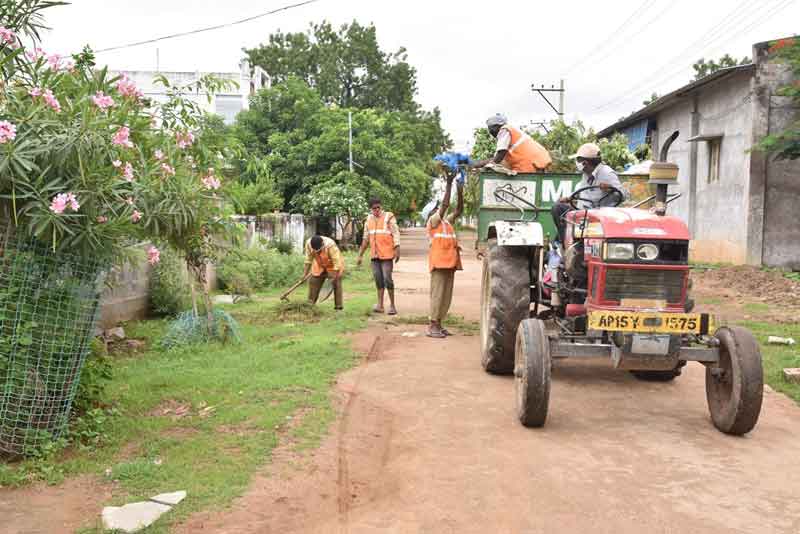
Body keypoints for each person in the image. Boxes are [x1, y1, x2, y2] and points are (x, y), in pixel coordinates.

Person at [550, 142, 626, 244]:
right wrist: (569, 198)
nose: (576, 163)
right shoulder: (586, 173)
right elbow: (583, 190)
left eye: (578, 160)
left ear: (585, 163)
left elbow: (623, 195)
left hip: (599, 215)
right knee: (558, 208)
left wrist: (611, 188)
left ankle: (571, 243)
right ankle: (566, 244)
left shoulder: (607, 173)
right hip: (583, 212)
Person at [425, 172, 463, 338]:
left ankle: (439, 324)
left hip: (450, 264)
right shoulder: (433, 222)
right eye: (436, 208)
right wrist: (448, 183)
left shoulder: (447, 222)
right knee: (438, 295)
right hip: (439, 264)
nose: (439, 209)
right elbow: (446, 205)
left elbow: (459, 210)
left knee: (446, 296)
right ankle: (432, 325)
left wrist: (460, 190)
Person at [357, 197, 400, 315]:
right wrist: (360, 255)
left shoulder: (388, 216)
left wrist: (397, 247)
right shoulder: (368, 220)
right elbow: (365, 238)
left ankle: (392, 306)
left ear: (381, 207)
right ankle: (380, 305)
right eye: (374, 208)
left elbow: (395, 232)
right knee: (378, 279)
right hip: (374, 255)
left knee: (387, 279)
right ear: (370, 209)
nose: (376, 210)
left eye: (378, 207)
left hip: (387, 254)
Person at [473, 113, 552, 173]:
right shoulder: (513, 134)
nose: (490, 131)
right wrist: (476, 164)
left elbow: (499, 156)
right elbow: (497, 158)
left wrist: (487, 167)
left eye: (491, 128)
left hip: (528, 165)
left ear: (497, 126)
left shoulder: (504, 130)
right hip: (539, 161)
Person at [303, 234, 344, 310]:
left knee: (336, 282)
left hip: (333, 265)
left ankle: (338, 307)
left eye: (319, 250)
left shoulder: (330, 245)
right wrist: (304, 275)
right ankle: (310, 306)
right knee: (313, 281)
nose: (317, 252)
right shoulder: (308, 244)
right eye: (315, 251)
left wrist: (333, 277)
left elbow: (337, 262)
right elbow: (308, 260)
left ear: (322, 245)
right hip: (319, 264)